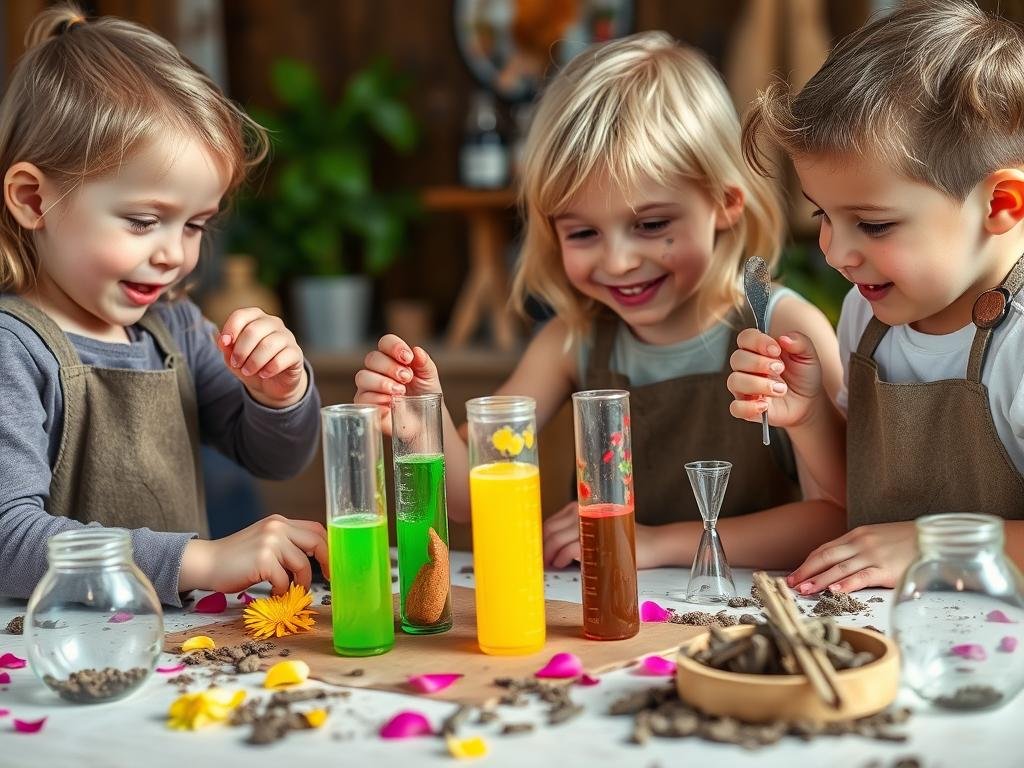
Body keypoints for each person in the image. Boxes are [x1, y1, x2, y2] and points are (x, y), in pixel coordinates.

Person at [357, 31, 845, 570]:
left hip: (752, 620)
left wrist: (654, 543)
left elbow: (836, 514)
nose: (617, 262)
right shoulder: (571, 339)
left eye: (652, 224)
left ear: (725, 203)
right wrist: (421, 421)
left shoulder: (784, 328)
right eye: (583, 234)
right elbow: (467, 497)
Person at [0, 4, 328, 606]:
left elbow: (275, 456)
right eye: (144, 220)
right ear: (31, 198)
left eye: (197, 224)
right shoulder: (13, 349)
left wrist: (277, 394)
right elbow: (8, 541)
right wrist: (199, 558)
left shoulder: (173, 328)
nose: (174, 254)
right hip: (48, 659)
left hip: (167, 649)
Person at [731, 0, 1024, 594]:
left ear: (999, 206)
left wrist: (933, 544)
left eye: (874, 224)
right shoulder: (870, 315)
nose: (836, 252)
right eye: (823, 216)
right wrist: (810, 416)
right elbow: (859, 497)